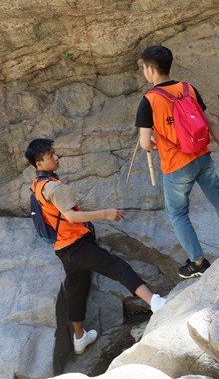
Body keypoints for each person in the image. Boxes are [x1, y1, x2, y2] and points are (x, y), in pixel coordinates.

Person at [26, 138, 166, 355]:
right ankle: (155, 302)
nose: (56, 157)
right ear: (39, 164)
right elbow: (72, 217)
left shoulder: (37, 184)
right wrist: (105, 213)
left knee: (77, 289)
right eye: (50, 155)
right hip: (76, 244)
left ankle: (79, 337)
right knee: (117, 267)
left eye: (54, 153)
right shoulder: (54, 187)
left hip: (63, 249)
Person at [135, 45, 219, 279]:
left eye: (144, 68)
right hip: (202, 155)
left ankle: (198, 261)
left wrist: (154, 142)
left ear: (151, 69)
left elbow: (144, 143)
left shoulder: (149, 101)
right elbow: (211, 122)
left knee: (178, 213)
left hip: (177, 165)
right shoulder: (188, 88)